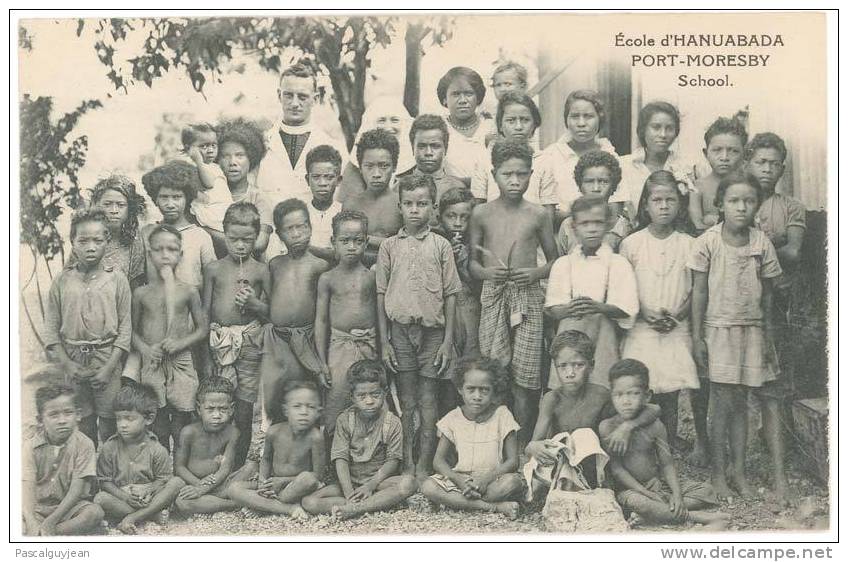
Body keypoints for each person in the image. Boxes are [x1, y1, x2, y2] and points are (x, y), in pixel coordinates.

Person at [688, 173, 784, 501]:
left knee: (741, 404)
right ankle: (717, 474)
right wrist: (697, 336)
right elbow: (698, 292)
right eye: (733, 201)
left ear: (757, 205)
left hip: (752, 331)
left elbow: (769, 297)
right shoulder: (708, 242)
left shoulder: (761, 243)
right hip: (718, 330)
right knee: (721, 403)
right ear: (720, 204)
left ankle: (739, 473)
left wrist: (768, 336)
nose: (741, 208)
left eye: (748, 201)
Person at [469, 139, 557, 446]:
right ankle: (494, 441)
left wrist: (535, 272)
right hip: (494, 295)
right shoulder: (481, 213)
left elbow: (555, 259)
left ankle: (521, 444)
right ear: (494, 174)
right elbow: (471, 264)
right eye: (508, 174)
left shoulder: (538, 214)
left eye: (522, 174)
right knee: (495, 370)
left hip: (528, 295)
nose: (515, 180)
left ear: (531, 175)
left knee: (525, 374)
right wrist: (486, 273)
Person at [377, 173, 462, 476]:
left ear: (433, 207)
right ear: (399, 206)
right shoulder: (389, 247)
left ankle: (425, 464)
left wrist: (448, 342)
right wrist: (384, 341)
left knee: (428, 401)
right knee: (406, 401)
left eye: (422, 203)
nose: (415, 210)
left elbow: (451, 295)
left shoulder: (441, 246)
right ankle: (406, 464)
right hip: (399, 332)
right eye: (409, 204)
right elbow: (381, 294)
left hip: (432, 333)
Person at [620, 171, 699, 452]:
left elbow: (695, 289)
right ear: (645, 205)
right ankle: (643, 443)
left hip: (676, 325)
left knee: (672, 389)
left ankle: (668, 441)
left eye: (670, 199)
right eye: (657, 200)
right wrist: (645, 312)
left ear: (680, 204)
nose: (664, 206)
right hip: (643, 325)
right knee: (644, 384)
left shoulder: (689, 243)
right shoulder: (631, 244)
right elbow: (625, 286)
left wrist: (678, 314)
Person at [525, 331, 660, 494]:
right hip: (562, 463)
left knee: (586, 435)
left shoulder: (600, 395)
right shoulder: (552, 398)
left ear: (592, 365)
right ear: (555, 367)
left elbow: (654, 409)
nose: (570, 373)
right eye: (563, 366)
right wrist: (534, 446)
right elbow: (533, 444)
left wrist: (627, 427)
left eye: (578, 365)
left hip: (594, 466)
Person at [600, 359, 727, 530]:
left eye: (633, 393)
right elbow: (617, 470)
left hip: (657, 483)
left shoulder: (655, 426)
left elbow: (667, 463)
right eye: (619, 395)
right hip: (629, 490)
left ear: (647, 396)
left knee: (706, 491)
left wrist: (676, 494)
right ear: (612, 396)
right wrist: (645, 492)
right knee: (638, 503)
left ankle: (658, 513)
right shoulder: (608, 427)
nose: (626, 401)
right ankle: (691, 516)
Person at [748, 133, 807, 498]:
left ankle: (779, 458)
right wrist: (773, 243)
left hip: (779, 304)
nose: (767, 168)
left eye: (774, 163)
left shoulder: (791, 206)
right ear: (749, 163)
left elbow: (796, 252)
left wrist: (758, 243)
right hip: (740, 301)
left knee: (775, 379)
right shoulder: (741, 199)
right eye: (761, 162)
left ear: (782, 169)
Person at [44, 210, 131, 445]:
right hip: (72, 359)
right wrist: (67, 364)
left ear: (107, 242)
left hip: (107, 359)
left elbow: (125, 329)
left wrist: (108, 368)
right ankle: (88, 476)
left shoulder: (117, 279)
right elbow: (51, 331)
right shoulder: (62, 281)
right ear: (72, 241)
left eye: (98, 241)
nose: (90, 247)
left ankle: (110, 474)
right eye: (83, 241)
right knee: (82, 423)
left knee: (110, 421)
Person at [301, 360, 416, 519]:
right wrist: (349, 492)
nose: (369, 401)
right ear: (352, 397)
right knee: (309, 502)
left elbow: (393, 460)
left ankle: (356, 508)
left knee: (408, 483)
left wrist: (370, 486)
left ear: (385, 392)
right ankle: (371, 504)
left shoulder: (392, 422)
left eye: (375, 394)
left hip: (378, 483)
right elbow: (340, 458)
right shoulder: (344, 420)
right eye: (362, 396)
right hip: (350, 483)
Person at [545, 197, 639, 389]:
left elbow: (628, 309)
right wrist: (569, 308)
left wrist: (599, 307)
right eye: (585, 223)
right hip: (569, 336)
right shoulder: (564, 264)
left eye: (598, 223)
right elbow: (552, 309)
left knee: (601, 389)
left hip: (604, 339)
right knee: (567, 391)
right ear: (573, 226)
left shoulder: (617, 264)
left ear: (608, 225)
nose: (592, 229)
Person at [203, 202, 269, 468]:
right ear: (224, 234)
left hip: (251, 341)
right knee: (220, 403)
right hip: (220, 343)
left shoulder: (262, 271)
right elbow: (205, 314)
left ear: (257, 238)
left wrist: (255, 304)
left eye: (248, 240)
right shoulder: (213, 269)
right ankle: (214, 462)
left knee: (243, 408)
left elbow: (271, 313)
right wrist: (206, 356)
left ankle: (238, 464)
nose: (240, 245)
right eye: (234, 239)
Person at [133, 225, 207, 452]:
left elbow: (202, 329)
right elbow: (131, 332)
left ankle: (181, 468)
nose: (165, 255)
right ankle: (162, 468)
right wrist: (146, 350)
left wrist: (180, 343)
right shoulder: (141, 293)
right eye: (159, 249)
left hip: (181, 361)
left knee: (182, 418)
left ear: (180, 255)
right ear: (149, 254)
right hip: (153, 362)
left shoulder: (189, 291)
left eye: (172, 249)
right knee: (157, 419)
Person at [420, 357, 524, 519]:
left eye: (484, 390)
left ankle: (458, 502)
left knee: (513, 482)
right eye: (471, 389)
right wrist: (459, 480)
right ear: (460, 389)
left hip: (492, 481)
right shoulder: (453, 417)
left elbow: (513, 461)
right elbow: (438, 461)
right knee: (428, 486)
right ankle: (494, 507)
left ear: (494, 390)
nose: (477, 396)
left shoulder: (502, 415)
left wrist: (486, 479)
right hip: (461, 481)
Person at [261, 199, 331, 423]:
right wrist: (254, 304)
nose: (297, 233)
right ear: (279, 235)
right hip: (277, 338)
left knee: (305, 392)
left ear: (310, 227)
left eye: (302, 226)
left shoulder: (319, 265)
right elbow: (270, 304)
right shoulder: (275, 264)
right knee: (277, 393)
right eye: (289, 229)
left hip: (306, 337)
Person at [315, 210, 379, 434]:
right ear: (334, 242)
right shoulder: (328, 278)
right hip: (339, 347)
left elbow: (380, 319)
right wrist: (322, 361)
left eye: (358, 241)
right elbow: (321, 320)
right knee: (337, 398)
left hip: (368, 346)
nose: (351, 246)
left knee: (369, 399)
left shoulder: (372, 277)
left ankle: (365, 459)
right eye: (345, 241)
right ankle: (332, 460)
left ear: (366, 242)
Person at [94, 383, 184, 534]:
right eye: (118, 419)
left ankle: (133, 517)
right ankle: (150, 514)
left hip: (149, 497)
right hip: (122, 499)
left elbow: (163, 479)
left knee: (177, 482)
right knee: (100, 499)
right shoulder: (109, 448)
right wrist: (125, 497)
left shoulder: (156, 449)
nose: (122, 425)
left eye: (129, 419)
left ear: (148, 419)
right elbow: (105, 482)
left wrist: (149, 489)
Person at [228, 380, 326, 518]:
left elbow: (317, 476)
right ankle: (288, 508)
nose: (304, 412)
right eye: (297, 406)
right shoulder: (274, 431)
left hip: (295, 486)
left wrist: (284, 481)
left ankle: (263, 505)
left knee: (307, 479)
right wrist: (263, 482)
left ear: (318, 412)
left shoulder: (315, 437)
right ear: (286, 410)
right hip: (273, 483)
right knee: (234, 489)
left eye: (310, 407)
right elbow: (266, 459)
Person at [255, 63, 347, 205]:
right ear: (279, 95)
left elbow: (340, 200)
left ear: (315, 99)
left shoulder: (334, 148)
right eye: (289, 95)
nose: (295, 103)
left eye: (302, 97)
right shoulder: (259, 144)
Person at [23, 383, 104, 536]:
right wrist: (31, 519)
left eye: (68, 413)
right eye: (54, 415)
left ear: (78, 415)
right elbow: (27, 487)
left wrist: (52, 521)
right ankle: (40, 530)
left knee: (94, 513)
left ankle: (47, 533)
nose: (62, 420)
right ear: (40, 420)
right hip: (37, 506)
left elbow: (76, 490)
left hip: (69, 507)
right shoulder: (30, 446)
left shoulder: (84, 444)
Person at [531, 89, 622, 221]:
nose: (581, 123)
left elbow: (615, 209)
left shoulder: (611, 156)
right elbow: (542, 212)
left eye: (588, 116)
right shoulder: (549, 157)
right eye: (575, 116)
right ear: (566, 119)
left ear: (600, 118)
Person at [173, 376, 241, 515]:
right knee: (182, 502)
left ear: (232, 409)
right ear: (199, 408)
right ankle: (233, 503)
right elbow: (179, 467)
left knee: (251, 467)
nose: (216, 415)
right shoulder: (188, 432)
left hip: (219, 483)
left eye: (223, 409)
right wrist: (198, 485)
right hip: (192, 483)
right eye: (210, 409)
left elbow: (225, 468)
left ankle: (214, 500)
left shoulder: (232, 433)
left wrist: (204, 488)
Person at [619, 102, 697, 215]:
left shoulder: (687, 167)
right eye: (656, 127)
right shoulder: (624, 165)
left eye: (669, 128)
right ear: (643, 130)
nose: (663, 134)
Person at [341, 128, 404, 267]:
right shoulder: (351, 204)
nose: (376, 173)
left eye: (384, 166)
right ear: (360, 168)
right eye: (369, 166)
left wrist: (365, 238)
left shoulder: (402, 203)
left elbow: (408, 244)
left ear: (394, 167)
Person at [338, 96, 415, 202]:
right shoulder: (355, 166)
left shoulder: (413, 162)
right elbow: (349, 203)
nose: (388, 127)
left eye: (395, 120)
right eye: (381, 120)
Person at [555, 150, 631, 254]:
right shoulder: (568, 226)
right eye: (589, 181)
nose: (596, 188)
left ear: (614, 186)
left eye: (603, 181)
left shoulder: (623, 228)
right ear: (579, 185)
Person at [217, 118, 273, 257]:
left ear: (251, 158)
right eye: (225, 156)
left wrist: (205, 231)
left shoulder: (258, 198)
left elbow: (260, 243)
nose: (232, 162)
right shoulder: (211, 195)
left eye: (240, 155)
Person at [82, 174, 147, 289]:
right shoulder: (84, 239)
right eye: (107, 204)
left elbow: (135, 288)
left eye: (121, 205)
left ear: (130, 209)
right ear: (97, 206)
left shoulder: (134, 244)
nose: (114, 211)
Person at [437, 66, 492, 200]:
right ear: (444, 99)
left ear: (478, 97)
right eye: (455, 94)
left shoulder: (492, 127)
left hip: (488, 199)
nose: (462, 100)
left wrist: (463, 181)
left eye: (468, 93)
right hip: (451, 202)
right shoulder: (438, 128)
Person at [180, 122, 233, 257]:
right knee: (229, 242)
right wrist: (198, 161)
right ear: (189, 149)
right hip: (211, 212)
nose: (210, 150)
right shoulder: (195, 167)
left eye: (213, 145)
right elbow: (209, 183)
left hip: (223, 208)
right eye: (203, 146)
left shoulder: (213, 166)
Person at [395, 114, 467, 209]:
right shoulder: (398, 188)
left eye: (435, 146)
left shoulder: (457, 187)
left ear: (445, 148)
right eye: (422, 146)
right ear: (413, 148)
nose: (428, 152)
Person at [688, 117, 747, 231]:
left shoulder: (747, 186)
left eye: (733, 151)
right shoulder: (698, 187)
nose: (724, 157)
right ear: (706, 153)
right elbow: (697, 226)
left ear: (743, 154)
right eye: (717, 150)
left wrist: (711, 220)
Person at [303, 145, 344, 262]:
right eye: (316, 177)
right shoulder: (300, 214)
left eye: (329, 177)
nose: (322, 183)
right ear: (307, 179)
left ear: (338, 180)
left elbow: (344, 254)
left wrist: (310, 249)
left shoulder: (344, 212)